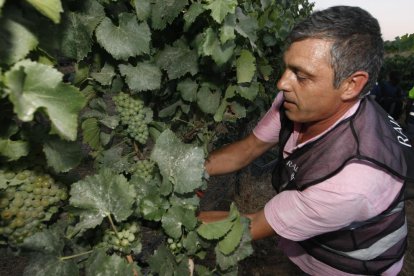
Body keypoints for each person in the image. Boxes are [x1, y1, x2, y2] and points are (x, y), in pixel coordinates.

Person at [198, 6, 414, 276]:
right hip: (307, 246)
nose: (282, 83)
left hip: (349, 266)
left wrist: (172, 217)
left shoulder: (352, 183)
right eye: (287, 68)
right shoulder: (300, 100)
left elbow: (250, 224)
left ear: (352, 85)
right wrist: (188, 171)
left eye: (301, 75)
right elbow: (248, 149)